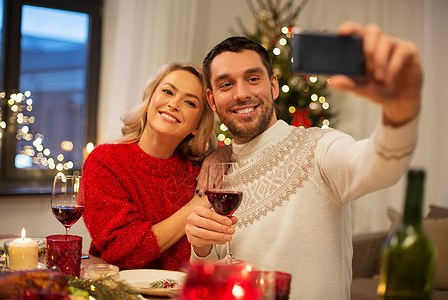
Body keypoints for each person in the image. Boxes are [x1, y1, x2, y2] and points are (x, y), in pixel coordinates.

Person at [185, 22, 422, 299]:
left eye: (253, 79)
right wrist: (200, 248)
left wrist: (398, 112)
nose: (241, 93)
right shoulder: (217, 176)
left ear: (273, 86)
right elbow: (210, 282)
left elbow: (379, 167)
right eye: (227, 84)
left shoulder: (320, 147)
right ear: (212, 101)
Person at [82, 62, 216, 271]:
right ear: (150, 98)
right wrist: (196, 205)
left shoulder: (201, 173)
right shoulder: (105, 161)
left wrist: (222, 154)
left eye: (189, 103)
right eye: (167, 91)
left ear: (197, 126)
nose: (173, 104)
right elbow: (122, 251)